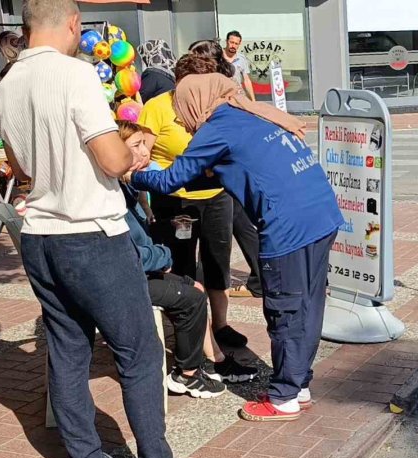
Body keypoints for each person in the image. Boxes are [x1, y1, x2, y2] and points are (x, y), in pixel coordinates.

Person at [0, 0, 221, 458]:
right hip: (92, 233)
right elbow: (114, 158)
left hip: (40, 237)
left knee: (67, 352)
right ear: (74, 24)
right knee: (138, 353)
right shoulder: (75, 75)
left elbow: (18, 167)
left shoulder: (6, 85)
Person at [131, 73, 343, 422]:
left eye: (181, 110)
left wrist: (133, 174)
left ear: (196, 101)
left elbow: (171, 180)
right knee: (308, 304)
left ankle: (284, 397)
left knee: (285, 310)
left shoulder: (218, 128)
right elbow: (213, 175)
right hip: (320, 213)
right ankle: (298, 385)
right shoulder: (249, 114)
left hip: (287, 224)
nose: (182, 120)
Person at [118, 121, 259, 394]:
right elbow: (130, 250)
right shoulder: (117, 191)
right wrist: (163, 255)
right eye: (136, 146)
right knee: (191, 291)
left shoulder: (131, 188)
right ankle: (193, 370)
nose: (146, 151)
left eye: (145, 144)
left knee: (195, 283)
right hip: (126, 276)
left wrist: (161, 227)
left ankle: (209, 359)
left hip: (134, 266)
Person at [137, 52, 249, 350]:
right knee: (181, 266)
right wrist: (145, 193)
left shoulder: (218, 106)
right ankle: (190, 333)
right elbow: (141, 154)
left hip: (215, 197)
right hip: (173, 201)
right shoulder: (157, 107)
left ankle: (221, 326)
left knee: (217, 262)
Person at [185, 44, 264, 298]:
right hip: (233, 167)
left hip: (225, 169)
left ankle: (258, 278)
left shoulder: (217, 89)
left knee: (240, 223)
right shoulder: (225, 83)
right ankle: (260, 277)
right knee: (243, 223)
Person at [224, 31, 255, 100]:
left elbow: (246, 80)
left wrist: (253, 100)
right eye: (231, 42)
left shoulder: (241, 59)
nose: (233, 46)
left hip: (238, 96)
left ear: (239, 44)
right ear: (226, 41)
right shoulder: (218, 57)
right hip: (222, 97)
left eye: (236, 44)